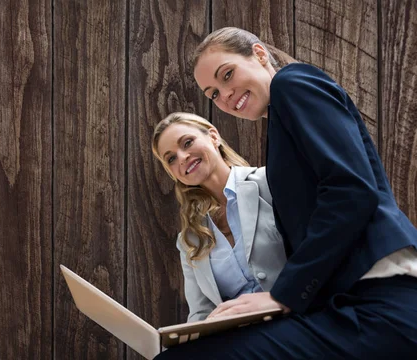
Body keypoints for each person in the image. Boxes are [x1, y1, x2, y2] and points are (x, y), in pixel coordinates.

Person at [155, 27, 417, 359]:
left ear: (260, 54)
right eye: (213, 93)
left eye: (227, 74)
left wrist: (283, 295)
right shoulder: (280, 123)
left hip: (383, 298)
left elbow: (351, 191)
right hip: (346, 305)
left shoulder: (292, 83)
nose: (225, 94)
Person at [152, 112, 287, 322]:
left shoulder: (272, 184)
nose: (182, 157)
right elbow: (200, 313)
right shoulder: (188, 241)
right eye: (171, 158)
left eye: (187, 143)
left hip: (294, 317)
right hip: (236, 337)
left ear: (213, 137)